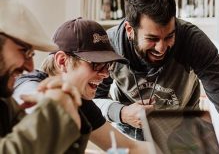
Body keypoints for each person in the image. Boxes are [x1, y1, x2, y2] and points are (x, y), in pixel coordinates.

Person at [93, 0, 219, 154]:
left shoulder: (193, 41)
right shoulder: (109, 47)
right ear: (130, 30)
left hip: (184, 137)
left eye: (169, 36)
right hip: (130, 141)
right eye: (152, 39)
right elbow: (92, 100)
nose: (161, 48)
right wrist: (122, 113)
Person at [13, 18, 149, 153]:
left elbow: (130, 148)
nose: (106, 74)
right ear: (62, 61)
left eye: (108, 65)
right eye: (97, 64)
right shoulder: (31, 88)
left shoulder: (80, 98)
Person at [0, 0, 83, 153]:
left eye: (31, 54)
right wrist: (55, 109)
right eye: (24, 50)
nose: (30, 67)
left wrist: (70, 111)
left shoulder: (5, 102)